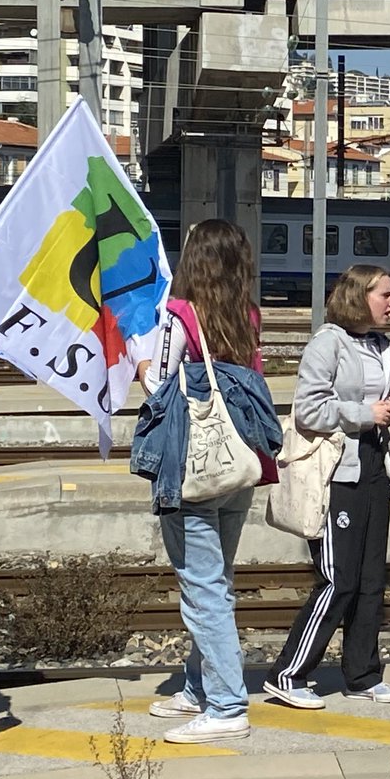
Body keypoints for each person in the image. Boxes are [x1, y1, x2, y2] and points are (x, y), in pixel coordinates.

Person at [137, 220, 265, 744]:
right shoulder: (249, 315)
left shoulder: (180, 316)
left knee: (202, 587)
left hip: (191, 469)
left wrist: (139, 361)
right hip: (238, 464)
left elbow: (160, 385)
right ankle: (198, 685)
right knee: (218, 582)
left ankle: (228, 706)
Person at [264, 265, 390, 707]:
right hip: (335, 471)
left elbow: (379, 396)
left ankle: (362, 673)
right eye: (385, 294)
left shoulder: (382, 345)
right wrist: (366, 413)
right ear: (360, 296)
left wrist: (388, 407)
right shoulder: (328, 342)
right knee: (337, 578)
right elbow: (308, 409)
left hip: (372, 466)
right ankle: (288, 673)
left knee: (369, 578)